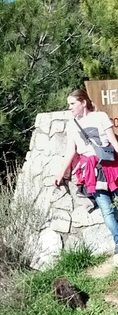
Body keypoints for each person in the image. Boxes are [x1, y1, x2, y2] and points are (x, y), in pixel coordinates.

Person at [55, 87, 118, 246]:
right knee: (107, 210)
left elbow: (113, 142)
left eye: (72, 103)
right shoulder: (72, 125)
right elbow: (70, 151)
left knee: (109, 209)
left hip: (111, 166)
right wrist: (61, 173)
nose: (69, 107)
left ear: (83, 102)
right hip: (91, 170)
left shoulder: (100, 116)